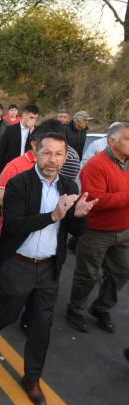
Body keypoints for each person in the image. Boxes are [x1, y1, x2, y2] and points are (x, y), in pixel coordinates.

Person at [0, 133, 96, 405]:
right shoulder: (19, 183)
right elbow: (13, 225)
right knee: (8, 313)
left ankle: (32, 378)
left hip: (49, 267)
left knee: (41, 325)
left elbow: (74, 231)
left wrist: (79, 217)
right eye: (47, 153)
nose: (53, 160)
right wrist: (52, 216)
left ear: (66, 157)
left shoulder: (68, 185)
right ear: (36, 153)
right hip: (18, 263)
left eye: (59, 154)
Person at [66, 121, 129, 333]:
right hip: (96, 231)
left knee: (122, 271)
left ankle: (101, 308)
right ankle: (75, 309)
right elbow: (95, 199)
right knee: (88, 274)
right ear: (112, 141)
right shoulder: (96, 165)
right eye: (128, 139)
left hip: (124, 231)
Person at [0, 104, 40, 172]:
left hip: (29, 169)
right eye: (31, 117)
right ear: (24, 115)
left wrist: (32, 130)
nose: (33, 120)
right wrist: (1, 170)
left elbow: (37, 150)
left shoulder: (37, 132)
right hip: (12, 168)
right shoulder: (10, 130)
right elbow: (1, 151)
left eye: (35, 118)